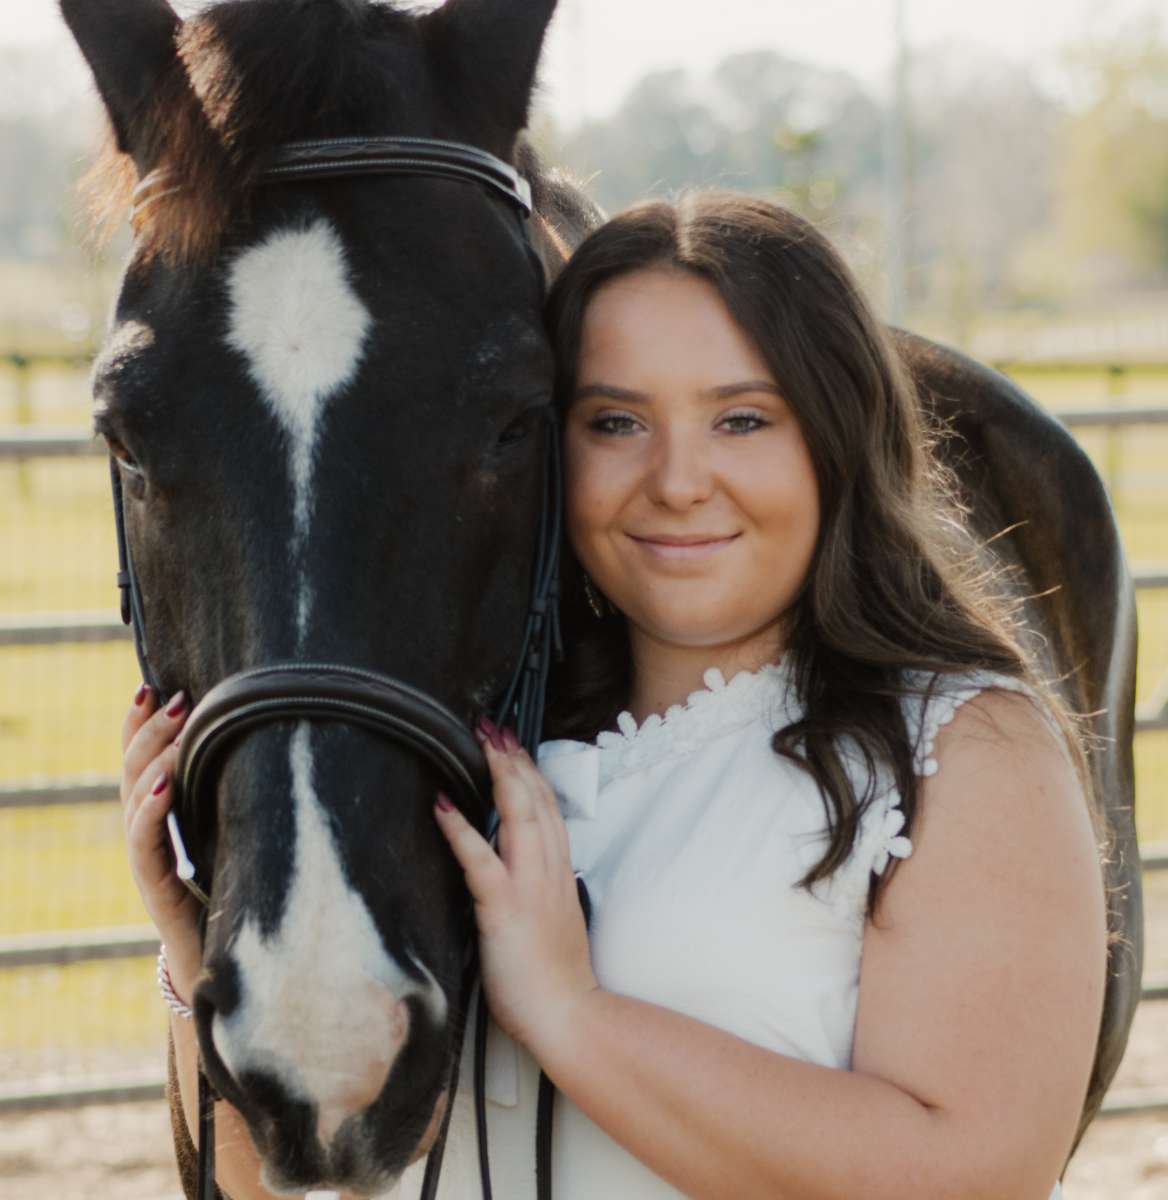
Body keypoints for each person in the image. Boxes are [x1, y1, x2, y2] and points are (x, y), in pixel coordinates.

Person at [121, 192, 1106, 1199]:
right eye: (616, 421)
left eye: (742, 418)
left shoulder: (962, 747)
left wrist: (572, 1014)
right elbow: (301, 1189)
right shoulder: (475, 762)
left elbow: (977, 1173)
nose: (678, 480)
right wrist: (197, 957)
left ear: (836, 437)